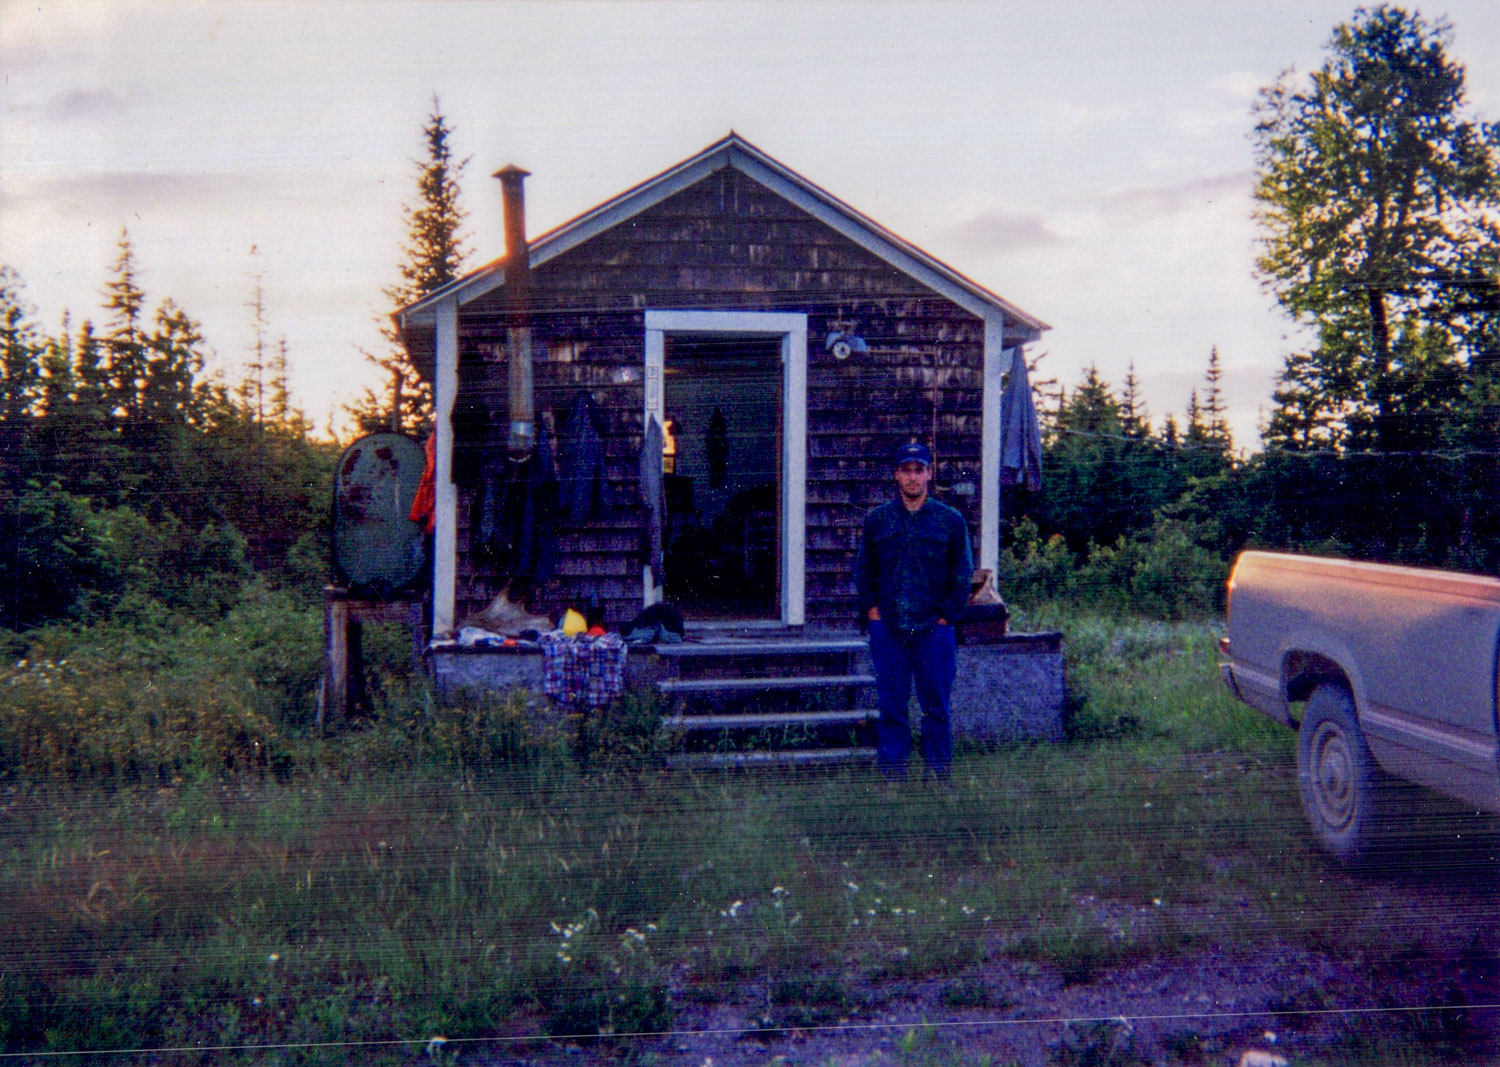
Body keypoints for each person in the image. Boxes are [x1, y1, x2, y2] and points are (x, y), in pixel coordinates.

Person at [854, 442, 973, 779]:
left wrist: (946, 616)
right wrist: (873, 613)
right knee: (892, 706)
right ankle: (892, 778)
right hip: (889, 629)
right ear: (896, 475)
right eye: (905, 470)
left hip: (933, 631)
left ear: (928, 475)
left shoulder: (951, 522)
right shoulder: (877, 520)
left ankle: (938, 778)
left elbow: (963, 574)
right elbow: (863, 570)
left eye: (918, 469)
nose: (912, 477)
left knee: (935, 707)